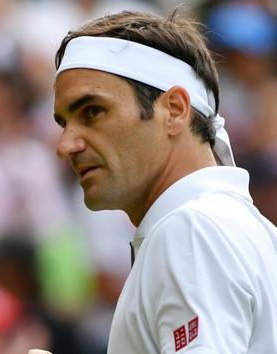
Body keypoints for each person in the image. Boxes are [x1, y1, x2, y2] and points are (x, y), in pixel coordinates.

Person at [51, 10, 277, 353]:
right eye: (63, 123)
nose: (66, 146)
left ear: (174, 109)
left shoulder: (190, 229)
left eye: (92, 111)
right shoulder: (248, 228)